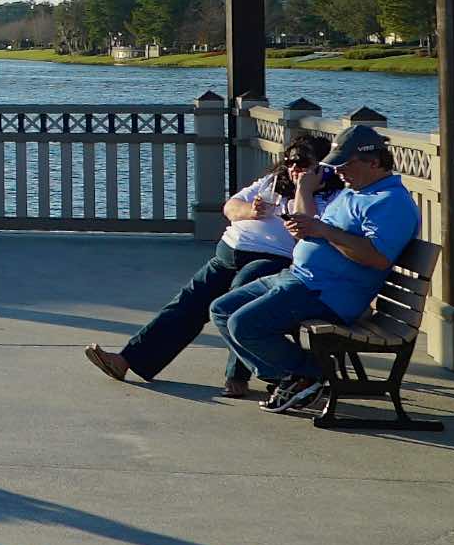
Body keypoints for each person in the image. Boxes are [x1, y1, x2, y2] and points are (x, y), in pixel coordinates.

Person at [84, 133, 335, 397]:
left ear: (322, 167)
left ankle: (237, 375)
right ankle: (127, 361)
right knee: (188, 302)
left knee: (238, 298)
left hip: (272, 259)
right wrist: (250, 211)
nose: (295, 169)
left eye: (303, 163)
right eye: (290, 162)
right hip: (229, 252)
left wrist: (303, 189)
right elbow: (230, 206)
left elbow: (305, 233)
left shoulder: (328, 198)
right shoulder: (272, 182)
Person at [208, 123, 422, 415]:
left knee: (243, 325)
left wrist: (323, 231)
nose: (339, 172)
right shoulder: (353, 192)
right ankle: (294, 379)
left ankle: (314, 373)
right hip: (298, 277)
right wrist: (307, 223)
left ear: (373, 162)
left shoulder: (391, 202)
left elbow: (378, 257)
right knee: (221, 309)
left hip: (327, 292)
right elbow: (315, 232)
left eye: (345, 165)